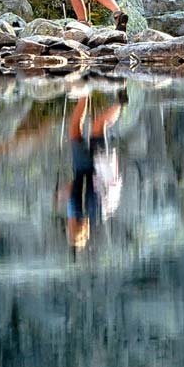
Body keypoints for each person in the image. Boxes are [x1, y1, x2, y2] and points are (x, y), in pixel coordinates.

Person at [60, 92, 125, 250]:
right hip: (83, 168)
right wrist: (62, 193)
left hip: (99, 168)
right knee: (75, 128)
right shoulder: (74, 212)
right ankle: (84, 93)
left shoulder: (97, 214)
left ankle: (120, 103)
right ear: (72, 226)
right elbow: (73, 189)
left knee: (99, 124)